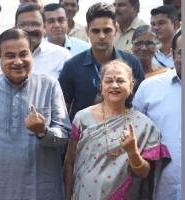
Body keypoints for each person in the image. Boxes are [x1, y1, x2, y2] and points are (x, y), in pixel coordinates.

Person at [0, 28, 71, 200]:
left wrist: (43, 132)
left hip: (41, 190)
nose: (18, 61)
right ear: (0, 59)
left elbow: (64, 135)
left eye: (24, 54)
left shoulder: (49, 85)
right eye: (9, 55)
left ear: (31, 55)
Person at [64, 60, 171, 200]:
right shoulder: (82, 118)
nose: (114, 85)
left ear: (131, 86)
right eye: (109, 81)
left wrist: (132, 152)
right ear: (101, 86)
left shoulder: (144, 125)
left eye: (120, 80)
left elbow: (144, 173)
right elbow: (69, 162)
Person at [59, 2, 144, 120]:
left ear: (116, 29)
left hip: (125, 135)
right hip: (84, 136)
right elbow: (62, 111)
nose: (102, 36)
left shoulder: (132, 63)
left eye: (107, 30)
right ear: (87, 31)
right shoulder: (72, 66)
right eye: (96, 31)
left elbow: (140, 105)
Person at [133, 30, 181, 200]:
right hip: (161, 189)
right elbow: (134, 135)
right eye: (181, 52)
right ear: (172, 54)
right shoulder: (149, 87)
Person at [15, 3, 71, 78]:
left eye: (35, 24)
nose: (29, 29)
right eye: (24, 25)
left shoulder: (62, 56)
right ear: (15, 28)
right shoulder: (0, 56)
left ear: (44, 27)